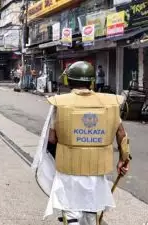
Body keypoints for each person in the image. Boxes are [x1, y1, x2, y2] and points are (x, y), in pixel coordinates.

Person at [44, 61, 131, 225]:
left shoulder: (60, 103)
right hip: (97, 167)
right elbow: (121, 133)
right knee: (92, 207)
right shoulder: (110, 103)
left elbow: (52, 139)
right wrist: (123, 159)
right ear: (91, 81)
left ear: (68, 81)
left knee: (70, 209)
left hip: (68, 168)